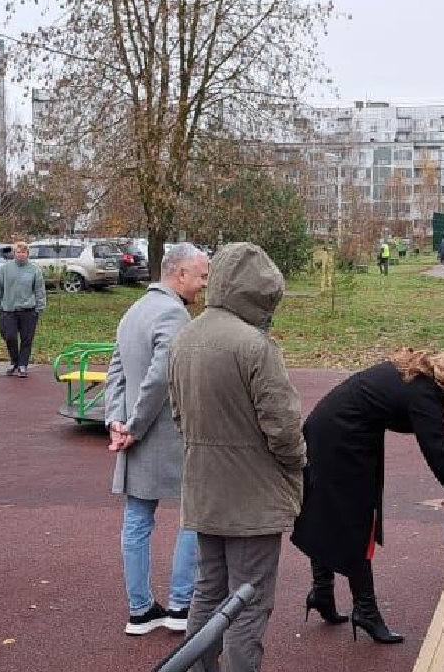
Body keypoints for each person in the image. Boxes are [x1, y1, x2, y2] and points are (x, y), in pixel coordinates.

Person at [290, 340, 444, 644]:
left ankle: (322, 593)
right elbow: (440, 459)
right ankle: (365, 611)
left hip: (343, 431)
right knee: (357, 520)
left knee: (330, 511)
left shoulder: (427, 382)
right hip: (339, 436)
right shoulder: (425, 394)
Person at [169, 242, 305, 672]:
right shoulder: (255, 346)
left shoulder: (184, 338)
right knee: (248, 605)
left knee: (208, 591)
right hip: (254, 498)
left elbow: (177, 415)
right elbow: (283, 429)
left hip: (204, 489)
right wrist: (297, 461)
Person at [105, 243, 210, 636]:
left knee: (136, 520)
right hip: (166, 433)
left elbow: (116, 371)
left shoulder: (134, 311)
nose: (204, 284)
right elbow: (161, 378)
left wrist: (117, 421)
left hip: (136, 435)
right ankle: (181, 605)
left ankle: (140, 609)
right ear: (179, 273)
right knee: (194, 515)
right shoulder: (174, 313)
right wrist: (133, 424)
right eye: (201, 276)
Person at [0, 241, 46, 377]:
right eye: (18, 252)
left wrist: (40, 306)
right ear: (14, 254)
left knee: (27, 339)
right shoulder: (5, 269)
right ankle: (14, 361)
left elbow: (39, 289)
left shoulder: (34, 270)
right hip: (8, 310)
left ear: (27, 254)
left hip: (29, 310)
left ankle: (22, 365)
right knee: (9, 336)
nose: (21, 255)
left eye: (23, 252)